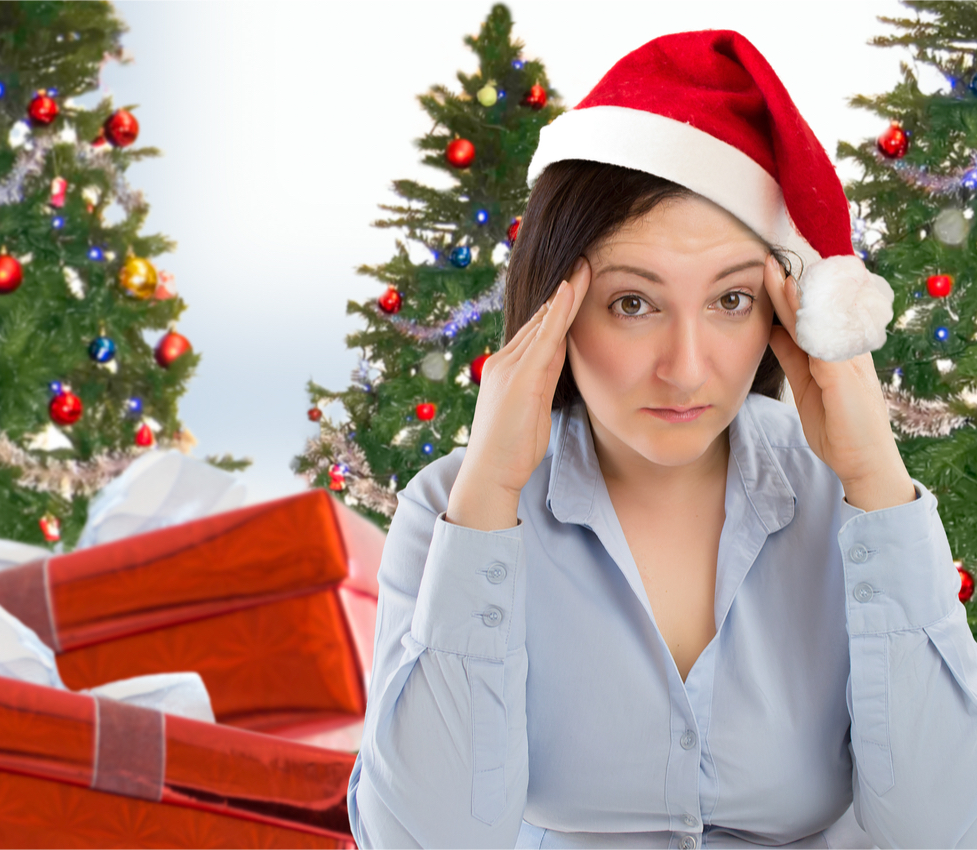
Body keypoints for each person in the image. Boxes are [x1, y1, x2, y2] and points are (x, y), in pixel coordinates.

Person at [347, 30, 977, 849]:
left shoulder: (847, 500)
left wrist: (877, 481)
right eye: (633, 304)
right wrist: (490, 499)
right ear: (555, 310)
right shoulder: (450, 509)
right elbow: (423, 841)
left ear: (786, 314)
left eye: (730, 302)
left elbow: (946, 829)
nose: (685, 370)